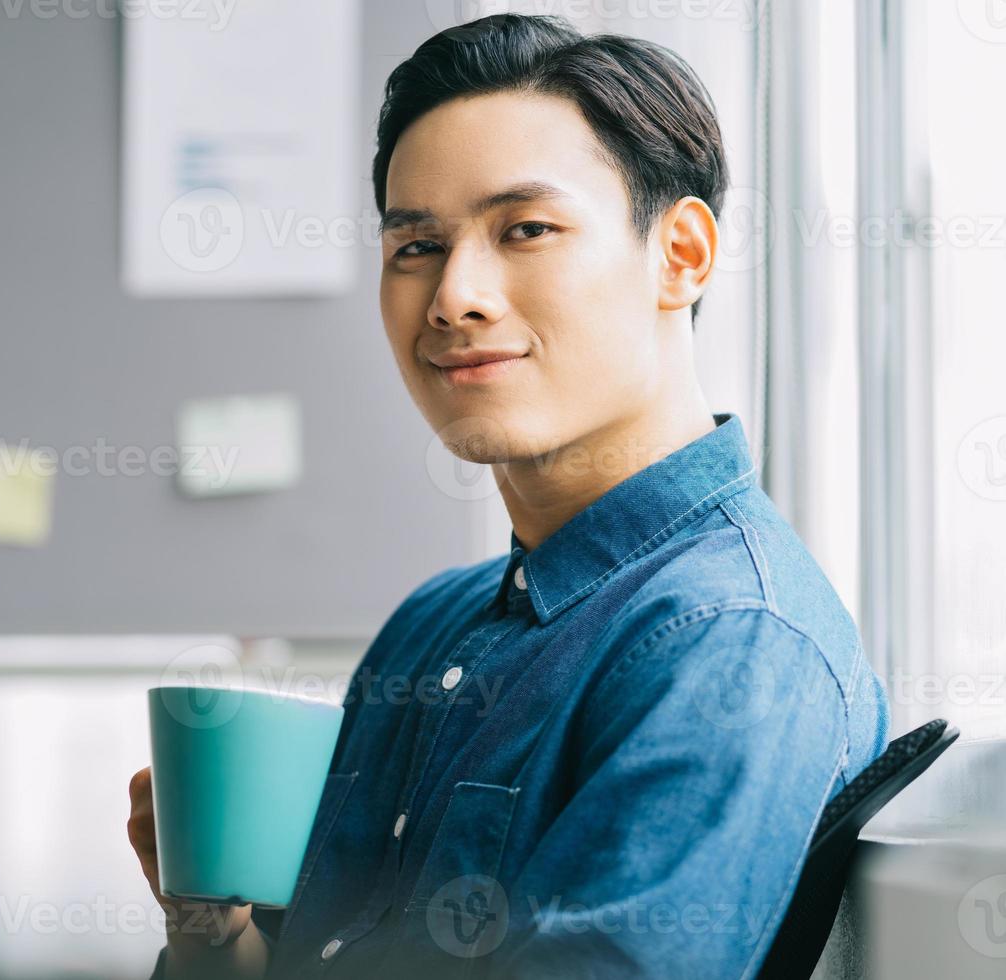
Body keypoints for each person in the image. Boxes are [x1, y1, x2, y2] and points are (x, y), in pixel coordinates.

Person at [127, 12, 888, 979]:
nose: (453, 297)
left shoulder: (730, 640)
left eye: (525, 229)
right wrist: (210, 927)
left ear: (682, 254)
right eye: (416, 248)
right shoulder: (430, 626)